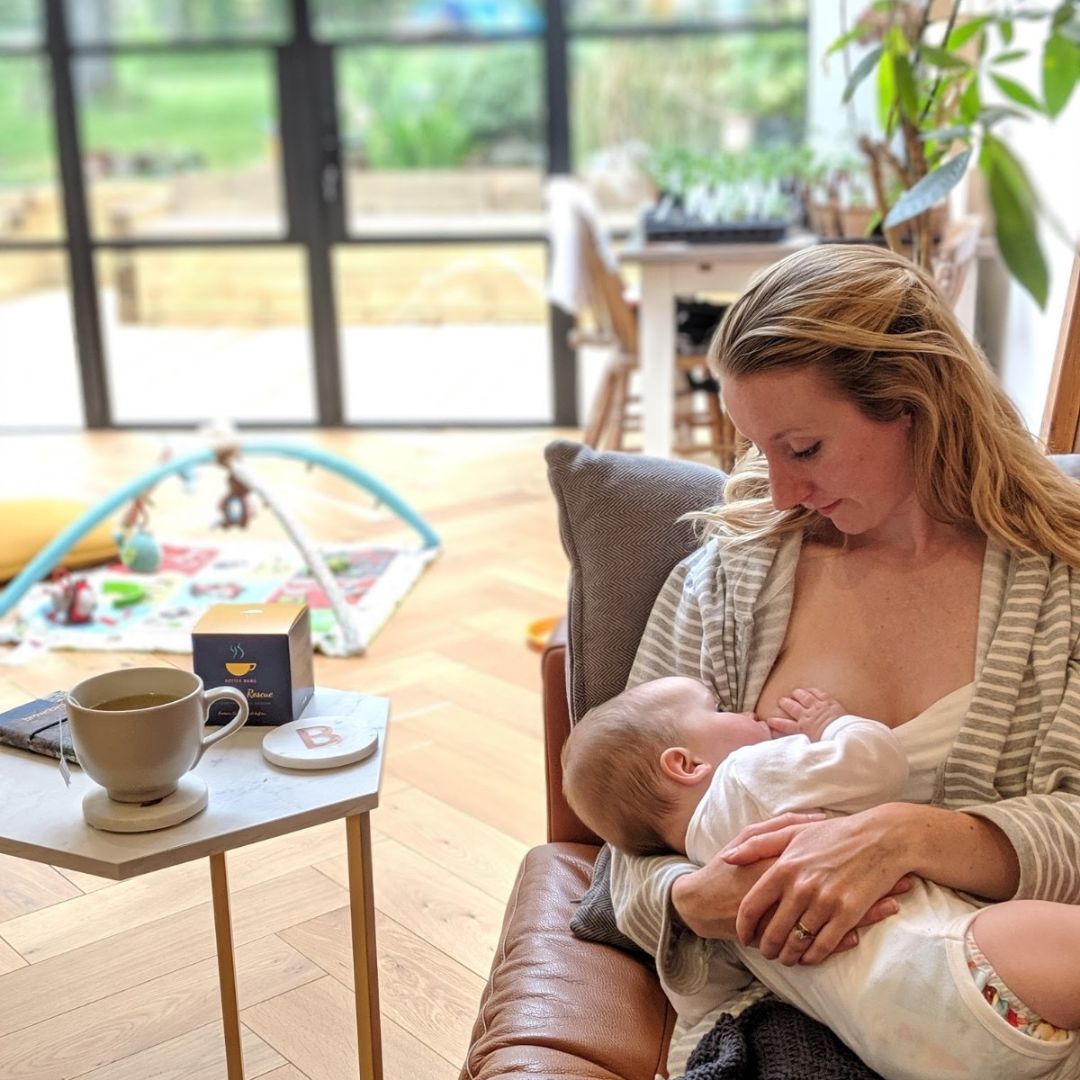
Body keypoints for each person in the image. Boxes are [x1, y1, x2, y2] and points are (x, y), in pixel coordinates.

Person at [593, 245, 1080, 1071]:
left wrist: (909, 837)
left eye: (803, 448)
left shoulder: (1058, 594)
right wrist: (690, 898)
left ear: (913, 402)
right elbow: (624, 846)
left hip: (1011, 1009)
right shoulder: (723, 585)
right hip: (780, 1021)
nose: (778, 491)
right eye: (757, 450)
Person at [564, 675, 1080, 1080]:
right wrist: (833, 723)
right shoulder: (745, 774)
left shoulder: (707, 872)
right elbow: (877, 765)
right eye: (718, 711)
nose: (743, 712)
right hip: (962, 966)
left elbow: (701, 1004)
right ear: (684, 763)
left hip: (905, 1051)